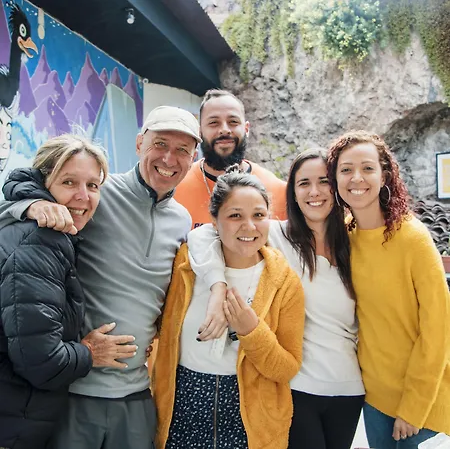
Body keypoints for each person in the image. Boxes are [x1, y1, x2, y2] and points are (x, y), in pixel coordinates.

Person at [0, 106, 201, 449]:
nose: (169, 158)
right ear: (139, 144)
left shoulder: (182, 220)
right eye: (160, 144)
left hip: (137, 391)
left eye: (182, 149)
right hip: (76, 388)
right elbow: (17, 198)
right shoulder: (97, 193)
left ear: (193, 157)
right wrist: (30, 205)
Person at [187, 149, 365, 449]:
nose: (314, 191)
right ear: (292, 192)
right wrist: (218, 287)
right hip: (295, 387)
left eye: (324, 181)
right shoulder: (276, 234)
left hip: (348, 387)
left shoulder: (355, 244)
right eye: (303, 183)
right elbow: (204, 235)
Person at [0, 134, 138, 449]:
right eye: (69, 182)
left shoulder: (45, 234)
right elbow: (41, 363)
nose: (83, 196)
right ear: (44, 182)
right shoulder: (38, 242)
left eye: (93, 185)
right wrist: (89, 352)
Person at [154, 167, 305, 449]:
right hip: (182, 406)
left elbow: (286, 369)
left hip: (250, 418)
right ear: (214, 220)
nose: (249, 226)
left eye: (258, 215)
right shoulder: (186, 266)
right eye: (235, 215)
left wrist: (252, 331)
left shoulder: (283, 282)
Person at [327, 130, 450, 449]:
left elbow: (438, 330)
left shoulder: (413, 239)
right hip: (374, 397)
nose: (356, 178)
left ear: (384, 176)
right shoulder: (345, 238)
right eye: (346, 169)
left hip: (421, 400)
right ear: (335, 179)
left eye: (367, 168)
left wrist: (414, 407)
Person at [174, 89, 287, 228]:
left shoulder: (279, 191)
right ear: (200, 131)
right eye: (214, 123)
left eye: (233, 122)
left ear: (246, 129)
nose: (224, 130)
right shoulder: (175, 188)